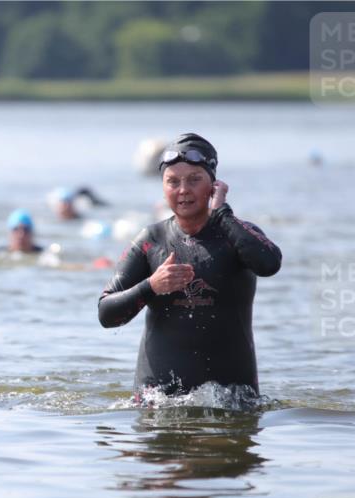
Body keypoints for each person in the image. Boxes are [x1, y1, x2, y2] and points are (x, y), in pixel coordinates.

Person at [97, 133, 282, 397]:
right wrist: (151, 286)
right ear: (163, 187)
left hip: (232, 399)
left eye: (194, 180)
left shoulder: (237, 235)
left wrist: (222, 215)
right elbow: (106, 314)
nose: (183, 190)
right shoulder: (151, 240)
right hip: (157, 400)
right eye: (173, 182)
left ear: (214, 186)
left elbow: (269, 264)